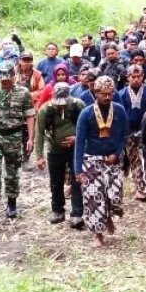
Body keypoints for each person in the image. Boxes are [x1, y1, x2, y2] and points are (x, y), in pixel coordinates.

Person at [75, 76, 129, 248]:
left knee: (114, 197)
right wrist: (78, 170)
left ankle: (109, 218)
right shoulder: (86, 113)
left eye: (110, 93)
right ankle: (97, 234)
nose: (107, 97)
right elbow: (80, 141)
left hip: (112, 160)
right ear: (95, 93)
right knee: (94, 198)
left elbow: (123, 136)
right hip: (91, 159)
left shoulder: (119, 110)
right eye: (103, 94)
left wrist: (117, 153)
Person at [0, 61, 36, 222]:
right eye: (3, 80)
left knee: (12, 173)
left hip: (14, 137)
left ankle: (12, 204)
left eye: (8, 79)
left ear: (13, 76)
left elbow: (30, 115)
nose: (5, 83)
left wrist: (31, 138)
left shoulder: (23, 92)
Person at [35, 82, 85, 227]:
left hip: (75, 149)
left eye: (64, 103)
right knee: (56, 181)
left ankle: (77, 213)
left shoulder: (78, 105)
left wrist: (77, 138)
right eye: (58, 103)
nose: (61, 106)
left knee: (77, 179)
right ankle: (57, 210)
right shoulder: (45, 110)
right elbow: (39, 133)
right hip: (55, 149)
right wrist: (39, 156)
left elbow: (87, 126)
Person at [118, 65, 146, 201]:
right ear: (127, 78)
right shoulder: (121, 94)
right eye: (133, 77)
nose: (136, 79)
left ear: (143, 76)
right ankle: (140, 188)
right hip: (129, 132)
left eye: (139, 76)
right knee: (135, 161)